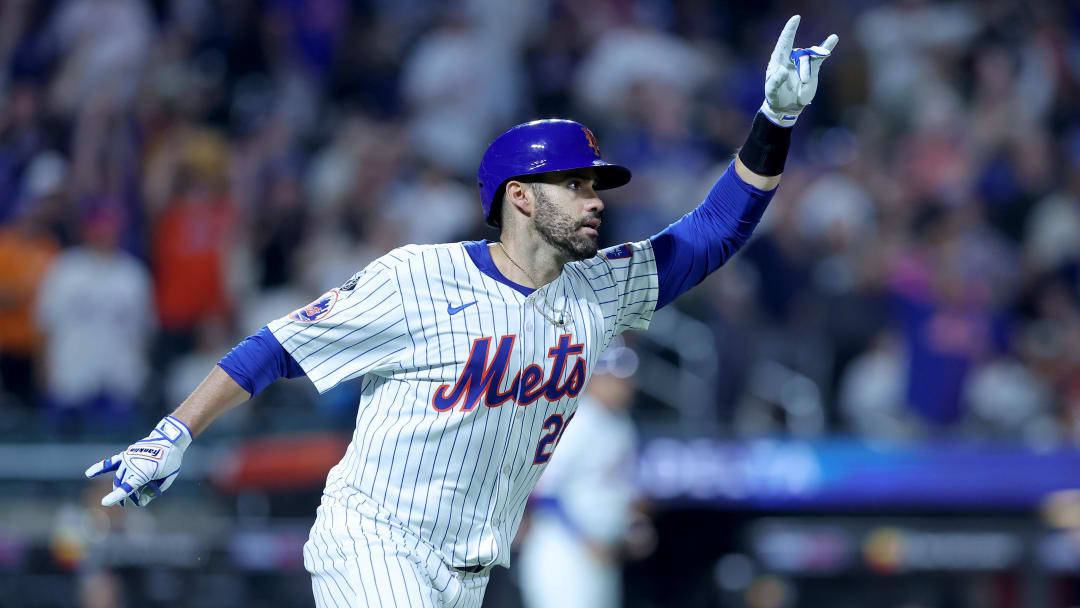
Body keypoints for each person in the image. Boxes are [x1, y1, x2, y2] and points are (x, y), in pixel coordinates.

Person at [85, 16, 837, 608]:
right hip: (377, 539)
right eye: (575, 184)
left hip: (471, 562)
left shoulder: (601, 289)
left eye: (594, 184)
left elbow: (711, 235)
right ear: (520, 196)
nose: (594, 199)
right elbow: (278, 345)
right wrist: (174, 432)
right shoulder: (419, 277)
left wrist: (773, 120)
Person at [517, 341, 648, 608]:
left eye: (626, 378)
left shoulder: (621, 424)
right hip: (562, 551)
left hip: (602, 554)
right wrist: (584, 537)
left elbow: (619, 490)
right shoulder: (577, 419)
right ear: (595, 377)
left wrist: (632, 525)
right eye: (615, 377)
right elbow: (544, 491)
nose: (624, 385)